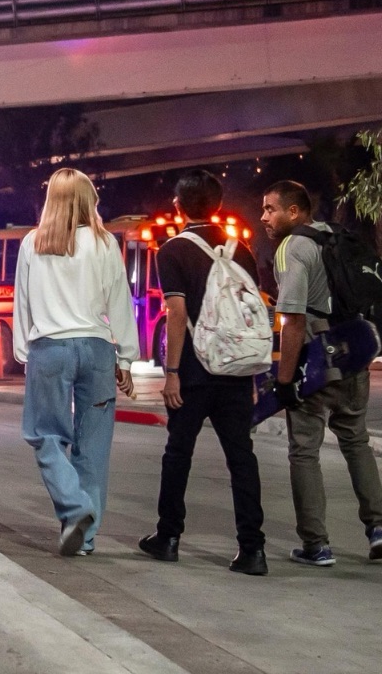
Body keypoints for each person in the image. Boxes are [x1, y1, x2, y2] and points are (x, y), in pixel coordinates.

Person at [138, 170, 268, 575]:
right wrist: (252, 378)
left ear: (179, 206)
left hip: (194, 372)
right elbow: (249, 313)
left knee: (179, 452)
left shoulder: (173, 250)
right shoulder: (240, 250)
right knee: (241, 457)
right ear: (217, 205)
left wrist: (172, 372)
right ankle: (253, 550)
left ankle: (168, 537)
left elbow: (176, 314)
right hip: (235, 370)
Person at [262, 180, 382, 566]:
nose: (264, 217)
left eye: (270, 209)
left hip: (317, 362)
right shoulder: (337, 237)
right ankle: (379, 529)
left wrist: (284, 381)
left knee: (304, 451)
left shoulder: (292, 247)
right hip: (354, 356)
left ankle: (316, 544)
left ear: (294, 212)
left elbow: (293, 320)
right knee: (356, 442)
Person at [15, 168, 139, 557]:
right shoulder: (105, 243)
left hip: (50, 350)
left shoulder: (33, 243)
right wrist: (127, 358)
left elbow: (23, 303)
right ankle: (84, 538)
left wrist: (23, 353)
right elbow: (119, 301)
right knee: (93, 446)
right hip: (98, 350)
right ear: (88, 201)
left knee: (44, 435)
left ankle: (74, 508)